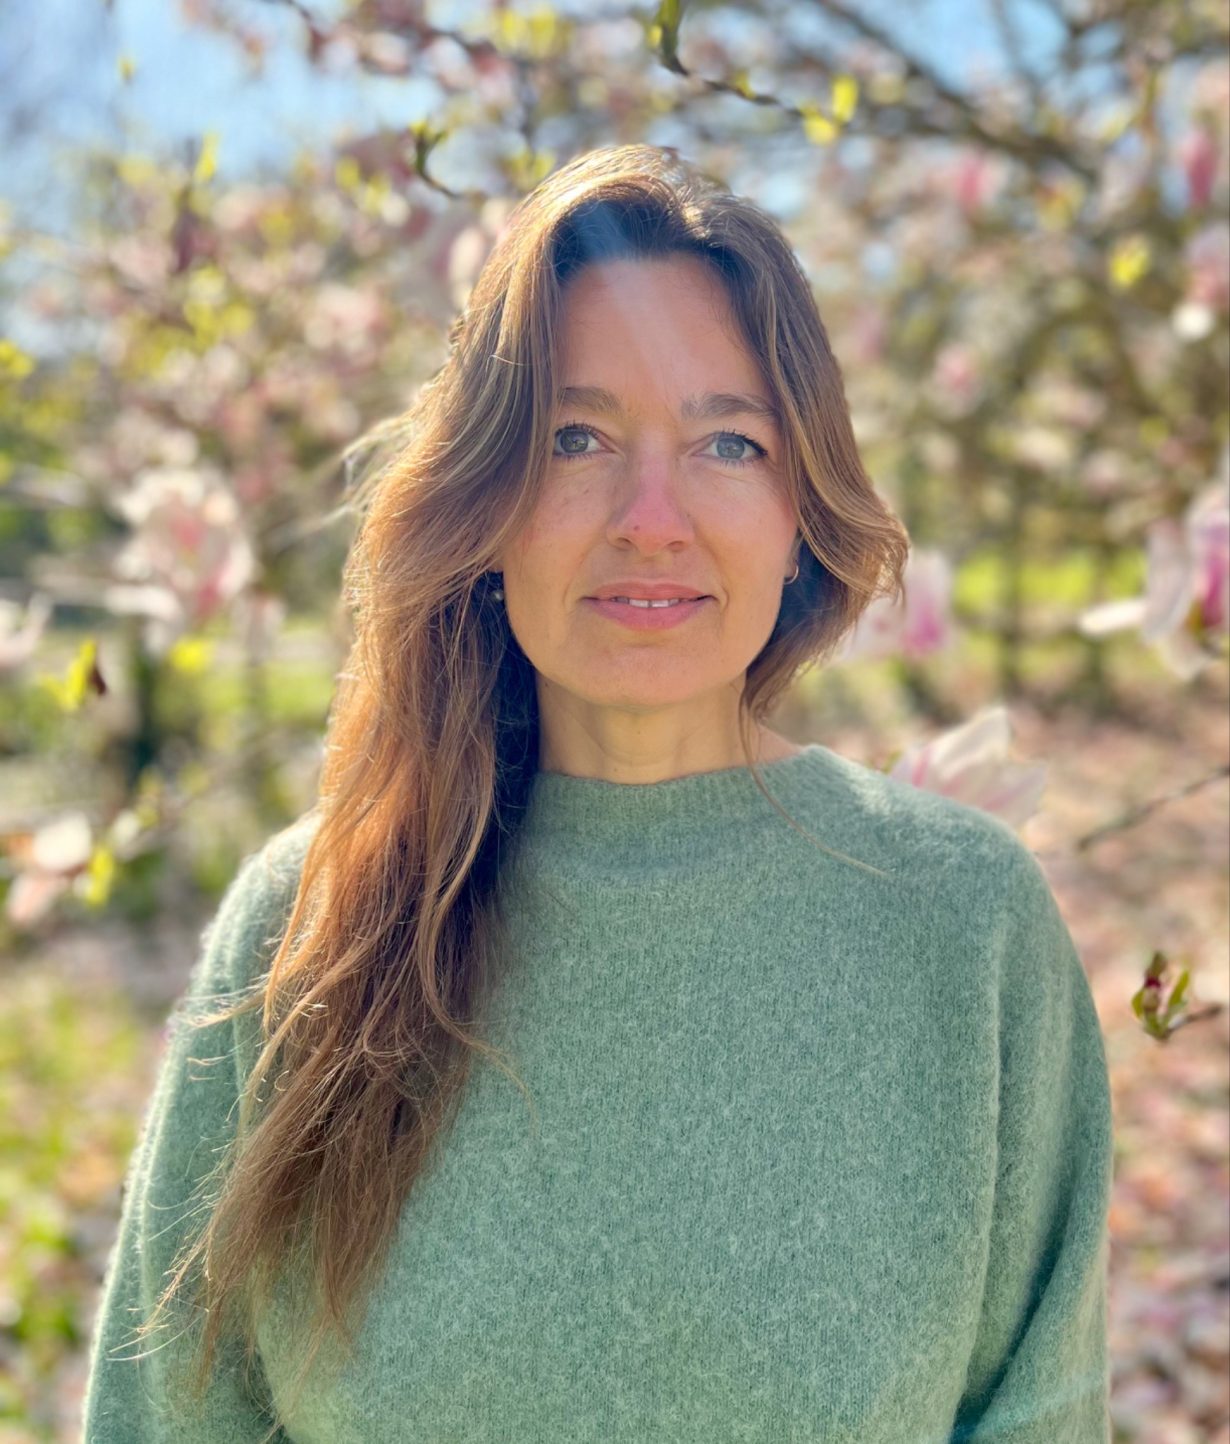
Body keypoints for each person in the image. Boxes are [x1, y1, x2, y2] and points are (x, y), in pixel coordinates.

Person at [82, 143, 1114, 1443]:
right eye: (575, 438)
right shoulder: (305, 924)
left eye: (727, 443)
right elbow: (163, 1420)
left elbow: (1044, 1415)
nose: (649, 516)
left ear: (800, 510)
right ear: (486, 502)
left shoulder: (963, 924)